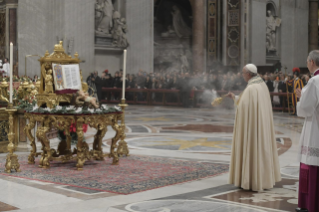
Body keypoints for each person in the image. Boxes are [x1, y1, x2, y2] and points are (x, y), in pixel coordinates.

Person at [227, 64, 281, 191]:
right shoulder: (262, 86)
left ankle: (251, 179)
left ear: (249, 74)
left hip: (253, 129)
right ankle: (263, 178)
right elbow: (247, 102)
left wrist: (235, 99)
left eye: (243, 73)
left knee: (253, 149)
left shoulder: (251, 88)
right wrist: (235, 97)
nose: (242, 75)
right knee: (262, 150)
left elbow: (243, 108)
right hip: (262, 127)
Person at [295, 50, 319, 212]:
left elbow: (306, 108)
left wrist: (300, 97)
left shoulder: (314, 81)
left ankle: (310, 205)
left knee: (310, 165)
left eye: (307, 61)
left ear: (311, 62)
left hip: (314, 128)